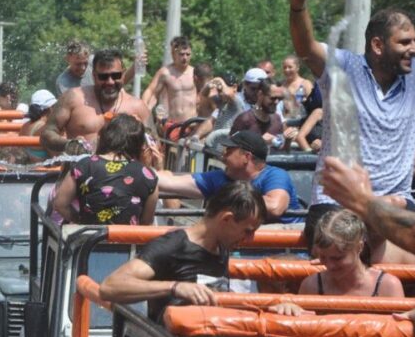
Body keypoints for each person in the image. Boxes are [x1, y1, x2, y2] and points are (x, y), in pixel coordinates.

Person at [285, 0, 415, 248]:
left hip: (396, 204)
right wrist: (298, 5)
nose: (413, 49)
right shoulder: (344, 68)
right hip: (336, 205)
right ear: (377, 45)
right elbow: (307, 46)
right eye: (404, 42)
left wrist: (385, 203)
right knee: (345, 248)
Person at [100, 181, 266, 321]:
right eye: (247, 231)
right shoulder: (173, 245)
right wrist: (175, 287)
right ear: (227, 219)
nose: (250, 239)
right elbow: (110, 286)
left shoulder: (222, 247)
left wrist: (270, 308)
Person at [269, 210, 404, 316]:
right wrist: (289, 309)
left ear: (359, 247)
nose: (329, 265)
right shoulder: (311, 285)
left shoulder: (388, 286)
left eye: (338, 258)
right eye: (323, 257)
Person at [156, 131, 301, 223]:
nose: (222, 156)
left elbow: (275, 207)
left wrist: (232, 193)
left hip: (282, 251)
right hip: (240, 251)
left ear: (246, 157)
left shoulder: (275, 175)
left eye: (229, 151)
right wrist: (138, 170)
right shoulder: (220, 177)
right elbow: (171, 183)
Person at [53, 114, 158, 225]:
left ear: (107, 137)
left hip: (89, 238)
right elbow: (146, 222)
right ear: (137, 143)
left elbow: (60, 204)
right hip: (127, 240)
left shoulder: (83, 165)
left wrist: (80, 221)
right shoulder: (149, 176)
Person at [41, 48, 150, 154]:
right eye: (103, 77)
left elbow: (154, 143)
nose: (110, 82)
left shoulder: (138, 107)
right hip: (82, 169)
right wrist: (68, 145)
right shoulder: (72, 98)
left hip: (124, 171)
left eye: (116, 75)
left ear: (122, 74)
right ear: (94, 76)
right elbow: (47, 133)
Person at [141, 36, 197, 139]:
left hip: (192, 125)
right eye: (181, 54)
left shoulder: (195, 73)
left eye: (187, 54)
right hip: (174, 126)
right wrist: (144, 108)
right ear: (174, 54)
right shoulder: (165, 72)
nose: (185, 58)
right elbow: (151, 92)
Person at [229, 78, 291, 150]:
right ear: (260, 95)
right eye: (273, 98)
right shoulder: (245, 119)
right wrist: (260, 142)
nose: (276, 102)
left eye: (279, 98)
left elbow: (281, 152)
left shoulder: (277, 119)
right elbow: (230, 149)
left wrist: (288, 141)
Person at [193, 73, 246, 147]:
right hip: (216, 148)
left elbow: (228, 93)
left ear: (235, 87)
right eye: (219, 89)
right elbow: (204, 94)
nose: (221, 92)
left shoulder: (238, 101)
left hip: (229, 148)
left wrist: (220, 81)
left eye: (222, 88)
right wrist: (196, 136)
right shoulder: (222, 103)